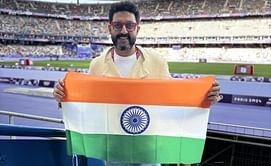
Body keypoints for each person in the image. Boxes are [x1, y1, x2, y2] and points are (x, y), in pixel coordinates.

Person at [53, 1, 221, 166]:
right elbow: (88, 107)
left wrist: (204, 98)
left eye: (129, 25)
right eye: (118, 25)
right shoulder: (96, 65)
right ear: (110, 28)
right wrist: (65, 98)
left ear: (137, 29)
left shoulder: (157, 62)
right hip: (113, 150)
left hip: (148, 150)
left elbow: (174, 103)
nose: (124, 31)